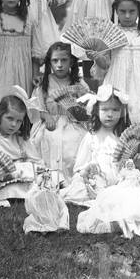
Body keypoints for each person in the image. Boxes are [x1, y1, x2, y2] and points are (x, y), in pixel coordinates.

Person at [30, 42, 91, 184]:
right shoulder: (44, 82)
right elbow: (36, 105)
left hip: (73, 123)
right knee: (45, 139)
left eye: (64, 60)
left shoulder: (79, 83)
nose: (59, 65)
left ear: (71, 62)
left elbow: (88, 107)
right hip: (50, 121)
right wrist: (46, 116)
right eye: (55, 60)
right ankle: (49, 179)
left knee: (72, 143)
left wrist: (78, 112)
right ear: (49, 62)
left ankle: (71, 180)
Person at [62, 85, 131, 207]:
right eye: (105, 110)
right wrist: (86, 172)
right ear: (96, 110)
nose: (110, 114)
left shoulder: (123, 136)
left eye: (115, 110)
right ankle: (98, 194)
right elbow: (80, 166)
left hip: (118, 180)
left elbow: (127, 162)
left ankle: (113, 193)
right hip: (96, 180)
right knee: (80, 189)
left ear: (122, 111)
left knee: (130, 189)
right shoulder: (92, 136)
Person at [0, 91, 42, 204]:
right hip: (1, 178)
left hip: (23, 175)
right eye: (10, 118)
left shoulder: (20, 138)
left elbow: (35, 161)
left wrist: (29, 166)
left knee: (43, 175)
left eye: (19, 121)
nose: (14, 124)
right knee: (11, 186)